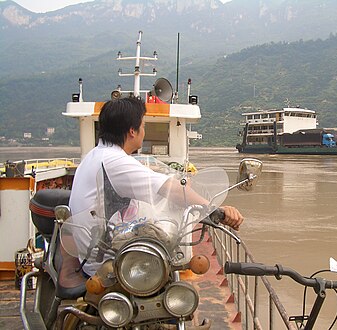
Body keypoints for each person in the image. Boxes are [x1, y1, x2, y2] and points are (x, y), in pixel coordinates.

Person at [69, 97, 244, 276]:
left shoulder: (96, 155)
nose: (144, 132)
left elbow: (152, 183)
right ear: (132, 131)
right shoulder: (114, 161)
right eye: (143, 126)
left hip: (95, 255)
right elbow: (172, 189)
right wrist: (214, 210)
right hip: (106, 266)